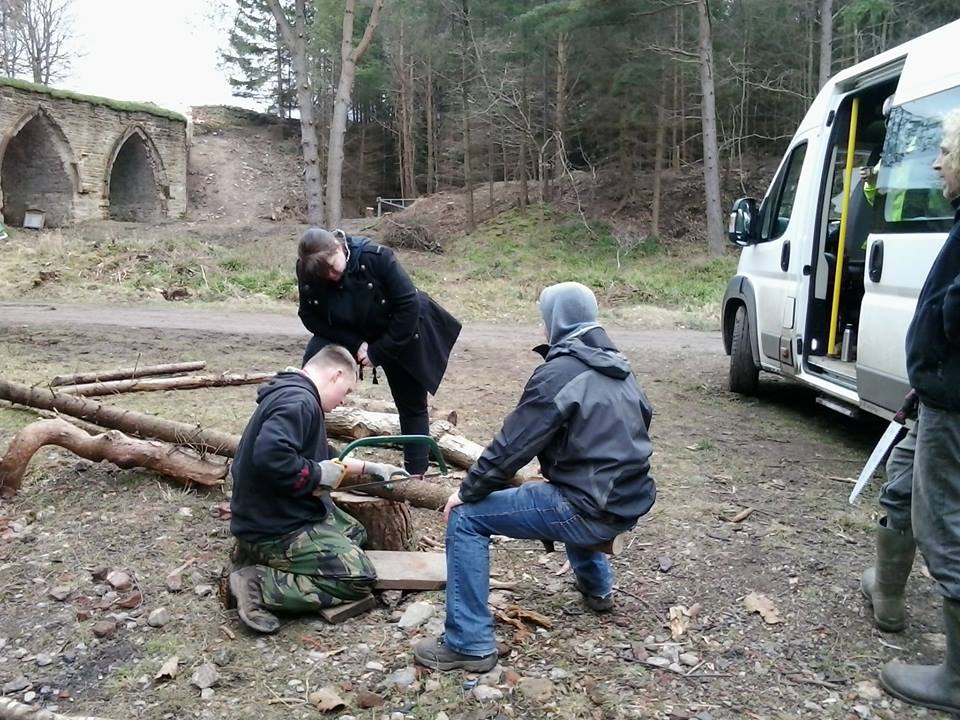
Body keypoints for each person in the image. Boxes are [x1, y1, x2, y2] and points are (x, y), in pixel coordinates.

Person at [412, 282, 656, 672]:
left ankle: (468, 643)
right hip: (628, 499)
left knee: (466, 519)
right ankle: (598, 589)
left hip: (588, 507)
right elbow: (636, 427)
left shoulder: (559, 373)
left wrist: (467, 491)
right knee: (562, 490)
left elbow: (512, 446)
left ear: (554, 321)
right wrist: (562, 465)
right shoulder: (620, 368)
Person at [228, 344, 406, 634]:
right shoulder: (299, 402)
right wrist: (319, 474)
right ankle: (257, 584)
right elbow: (271, 457)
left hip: (272, 512)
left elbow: (319, 453)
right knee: (358, 577)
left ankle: (259, 555)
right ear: (336, 375)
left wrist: (369, 467)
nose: (344, 402)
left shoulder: (294, 394)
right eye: (346, 391)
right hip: (274, 526)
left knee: (355, 532)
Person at [880, 108, 960, 713]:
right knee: (902, 480)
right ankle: (888, 596)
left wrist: (940, 339)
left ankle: (956, 682)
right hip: (938, 393)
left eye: (948, 151)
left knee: (948, 529)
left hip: (954, 401)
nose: (937, 162)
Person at [296, 228, 462, 476]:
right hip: (348, 332)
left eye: (332, 267)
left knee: (412, 406)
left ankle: (415, 476)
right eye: (323, 274)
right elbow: (309, 316)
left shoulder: (377, 257)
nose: (331, 276)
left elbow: (408, 307)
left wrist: (378, 352)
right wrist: (355, 344)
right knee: (308, 383)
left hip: (398, 330)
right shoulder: (308, 269)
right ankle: (307, 453)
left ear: (338, 247)